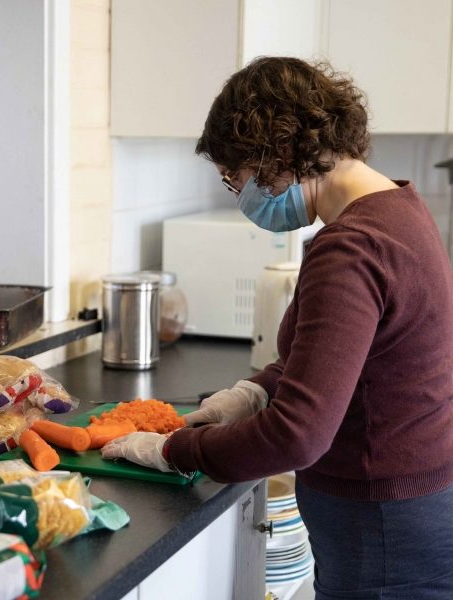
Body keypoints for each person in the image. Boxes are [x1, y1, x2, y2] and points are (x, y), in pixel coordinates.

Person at [102, 56, 453, 599]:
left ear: (274, 152)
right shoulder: (400, 208)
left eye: (234, 177)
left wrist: (173, 452)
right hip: (410, 508)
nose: (239, 195)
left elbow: (298, 434)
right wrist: (251, 393)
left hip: (382, 527)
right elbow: (337, 359)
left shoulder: (350, 249)